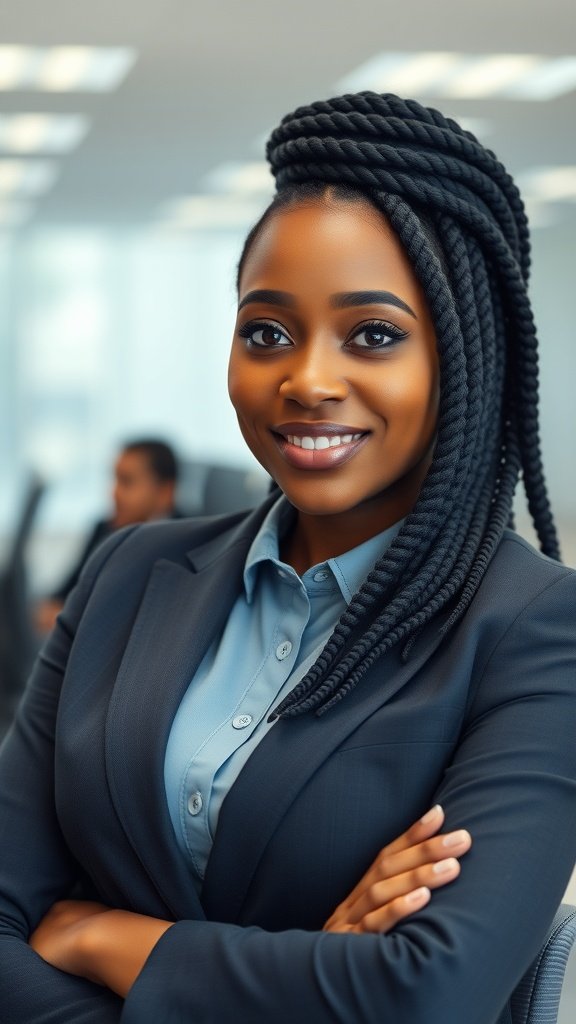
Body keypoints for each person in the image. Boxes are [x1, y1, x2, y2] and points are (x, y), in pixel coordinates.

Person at [0, 91, 575, 1024]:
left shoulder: (537, 628)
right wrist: (307, 973)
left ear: (466, 359)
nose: (306, 380)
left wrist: (104, 937)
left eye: (374, 335)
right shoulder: (128, 573)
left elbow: (427, 994)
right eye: (267, 332)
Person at [34, 438, 180, 635]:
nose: (114, 493)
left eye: (127, 482)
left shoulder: (186, 541)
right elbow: (64, 592)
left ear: (165, 492)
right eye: (115, 480)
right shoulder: (104, 529)